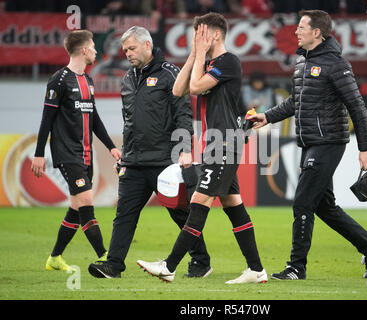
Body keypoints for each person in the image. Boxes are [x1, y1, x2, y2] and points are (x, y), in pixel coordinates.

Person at [248, 10, 367, 280]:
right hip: (310, 143)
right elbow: (294, 102)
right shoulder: (301, 62)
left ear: (316, 33)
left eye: (301, 27)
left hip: (329, 142)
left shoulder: (336, 64)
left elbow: (356, 105)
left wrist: (365, 147)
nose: (296, 31)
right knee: (323, 206)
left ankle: (296, 267)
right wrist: (267, 117)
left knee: (302, 203)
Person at [136, 13, 267, 284]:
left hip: (224, 144)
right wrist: (194, 55)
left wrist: (198, 55)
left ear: (215, 35)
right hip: (215, 145)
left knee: (198, 204)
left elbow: (195, 87)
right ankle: (256, 269)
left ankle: (168, 266)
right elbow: (177, 90)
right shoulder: (208, 63)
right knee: (233, 206)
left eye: (199, 33)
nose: (194, 38)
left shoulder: (228, 61)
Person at [88, 26, 212, 279]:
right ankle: (113, 265)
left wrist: (184, 150)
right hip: (133, 161)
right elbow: (129, 121)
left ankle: (201, 261)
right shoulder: (127, 78)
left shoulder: (171, 75)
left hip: (164, 160)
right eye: (124, 50)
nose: (127, 54)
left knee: (180, 214)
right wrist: (125, 153)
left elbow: (183, 115)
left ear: (147, 45)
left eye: (131, 48)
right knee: (124, 214)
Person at [31, 30, 122, 271]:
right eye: (92, 46)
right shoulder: (59, 80)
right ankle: (105, 257)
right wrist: (39, 153)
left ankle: (54, 258)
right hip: (67, 154)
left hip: (86, 155)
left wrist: (111, 146)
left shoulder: (88, 81)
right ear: (83, 50)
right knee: (86, 202)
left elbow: (94, 119)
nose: (95, 50)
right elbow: (46, 119)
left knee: (76, 206)